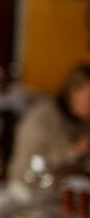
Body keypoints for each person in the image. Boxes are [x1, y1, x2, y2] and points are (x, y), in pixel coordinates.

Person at [7, 63, 90, 191]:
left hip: (64, 190)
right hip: (28, 188)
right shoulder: (43, 116)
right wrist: (73, 151)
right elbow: (32, 163)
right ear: (74, 92)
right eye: (88, 99)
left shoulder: (83, 120)